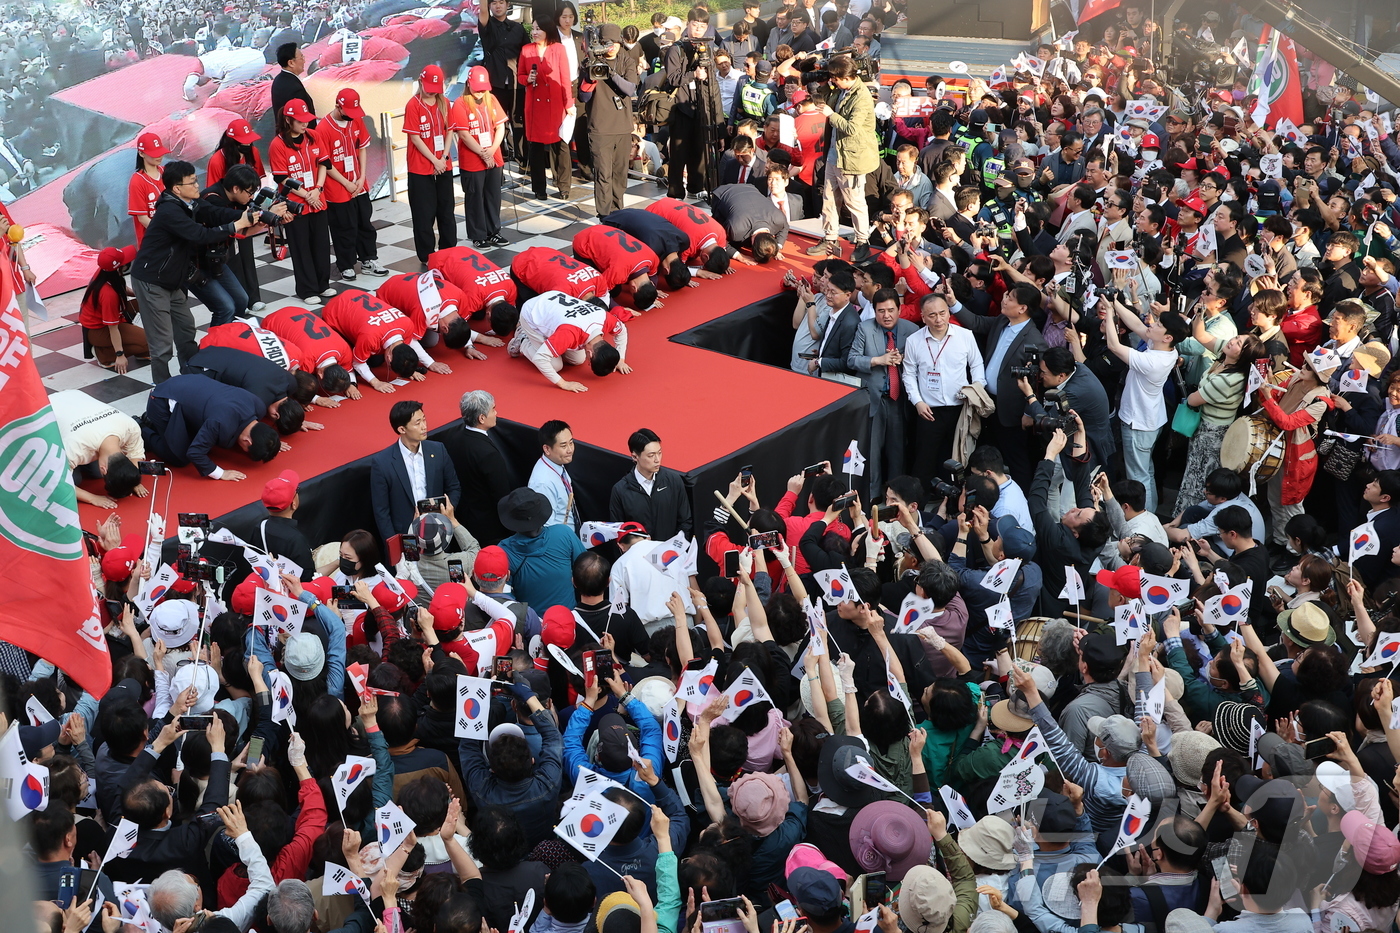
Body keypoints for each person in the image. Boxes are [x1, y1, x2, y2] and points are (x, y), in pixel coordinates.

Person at [129, 160, 268, 383]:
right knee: (162, 342)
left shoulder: (191, 203)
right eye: (192, 182)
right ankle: (163, 388)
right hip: (151, 281)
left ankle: (192, 377)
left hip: (174, 279)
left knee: (186, 332)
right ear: (177, 188)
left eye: (195, 180)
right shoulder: (169, 211)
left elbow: (215, 214)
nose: (197, 185)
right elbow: (200, 235)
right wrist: (236, 225)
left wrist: (249, 216)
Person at [953, 282, 1049, 490]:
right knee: (984, 455)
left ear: (1022, 308)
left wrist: (1029, 412)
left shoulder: (1035, 341)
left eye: (1010, 298)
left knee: (1016, 460)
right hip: (988, 403)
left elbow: (1038, 384)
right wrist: (952, 303)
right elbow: (977, 322)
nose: (1004, 300)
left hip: (1012, 412)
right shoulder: (1001, 321)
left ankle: (1023, 503)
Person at [1101, 295, 1188, 516]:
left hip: (1138, 424)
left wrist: (1110, 313)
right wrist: (1115, 303)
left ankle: (1143, 520)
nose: (1153, 323)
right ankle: (1150, 513)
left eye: (1159, 324)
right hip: (1150, 420)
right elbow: (1138, 324)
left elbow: (1113, 344)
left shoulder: (1153, 362)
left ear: (1168, 336)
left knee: (1138, 476)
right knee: (1146, 473)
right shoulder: (1166, 349)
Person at [140, 373, 280, 480]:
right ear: (247, 441)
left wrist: (269, 441)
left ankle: (151, 423)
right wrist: (220, 473)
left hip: (189, 384)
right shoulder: (220, 423)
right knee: (179, 456)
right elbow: (195, 453)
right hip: (161, 399)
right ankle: (141, 428)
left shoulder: (259, 406)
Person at [805, 56, 877, 261]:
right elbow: (826, 98)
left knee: (855, 202)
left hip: (852, 158)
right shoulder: (842, 90)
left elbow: (852, 128)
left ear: (845, 77)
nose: (833, 81)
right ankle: (830, 238)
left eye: (835, 78)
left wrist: (831, 114)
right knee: (829, 199)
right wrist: (823, 86)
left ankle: (863, 241)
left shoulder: (861, 96)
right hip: (834, 153)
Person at [849, 288, 917, 496]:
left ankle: (896, 496)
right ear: (875, 311)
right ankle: (873, 496)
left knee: (897, 451)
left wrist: (904, 358)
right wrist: (878, 360)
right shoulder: (865, 328)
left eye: (890, 310)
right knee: (873, 450)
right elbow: (852, 359)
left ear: (899, 309)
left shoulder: (913, 330)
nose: (886, 315)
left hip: (900, 400)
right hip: (873, 399)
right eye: (881, 311)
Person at [317, 88, 389, 281]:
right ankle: (346, 264)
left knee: (365, 223)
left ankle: (369, 259)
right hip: (338, 187)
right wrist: (346, 183)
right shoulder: (323, 128)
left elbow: (362, 149)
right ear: (338, 107)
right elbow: (325, 163)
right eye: (348, 111)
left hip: (358, 183)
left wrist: (361, 177)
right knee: (344, 227)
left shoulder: (356, 119)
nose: (352, 116)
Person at [321, 289, 451, 392]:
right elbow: (357, 362)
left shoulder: (407, 324)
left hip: (357, 297)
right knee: (355, 357)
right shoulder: (370, 337)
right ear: (388, 358)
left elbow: (410, 341)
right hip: (335, 310)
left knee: (376, 360)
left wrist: (426, 364)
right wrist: (375, 382)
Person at [368, 400, 462, 543]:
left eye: (424, 419)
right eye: (417, 423)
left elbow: (454, 487)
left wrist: (446, 512)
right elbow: (381, 512)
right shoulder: (382, 463)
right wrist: (395, 546)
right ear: (402, 429)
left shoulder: (438, 450)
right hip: (406, 536)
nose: (424, 426)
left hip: (439, 532)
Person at [269, 98, 333, 304]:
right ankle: (307, 290)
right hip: (296, 204)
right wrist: (306, 195)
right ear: (288, 120)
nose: (305, 124)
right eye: (300, 121)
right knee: (301, 246)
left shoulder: (314, 136)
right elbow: (282, 178)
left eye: (307, 120)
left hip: (317, 199)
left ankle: (323, 284)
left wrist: (318, 189)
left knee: (321, 244)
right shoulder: (277, 144)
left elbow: (324, 163)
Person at [511, 289, 629, 391]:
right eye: (590, 362)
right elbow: (540, 359)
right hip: (533, 313)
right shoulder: (569, 333)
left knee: (578, 360)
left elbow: (622, 331)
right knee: (555, 366)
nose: (588, 362)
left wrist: (621, 359)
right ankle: (523, 340)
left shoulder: (606, 320)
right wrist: (563, 384)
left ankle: (551, 344)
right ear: (590, 353)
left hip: (555, 304)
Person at [441, 389, 516, 546]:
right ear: (482, 418)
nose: (496, 412)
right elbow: (500, 494)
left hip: (464, 519)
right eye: (493, 409)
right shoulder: (488, 453)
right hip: (490, 528)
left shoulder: (453, 439)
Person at [580, 23, 638, 219]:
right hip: (599, 128)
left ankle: (618, 212)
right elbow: (583, 97)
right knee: (603, 174)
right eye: (606, 43)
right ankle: (604, 216)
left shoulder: (627, 61)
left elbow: (630, 89)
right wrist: (590, 78)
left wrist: (609, 73)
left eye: (614, 42)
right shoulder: (589, 62)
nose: (610, 47)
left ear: (620, 42)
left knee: (620, 174)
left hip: (622, 127)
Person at [51, 389, 147, 508]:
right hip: (48, 406)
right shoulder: (74, 448)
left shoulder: (130, 427)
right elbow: (58, 481)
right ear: (104, 468)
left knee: (96, 473)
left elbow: (135, 455)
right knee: (75, 480)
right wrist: (92, 498)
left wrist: (131, 479)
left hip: (75, 397)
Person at [664, 8, 721, 199]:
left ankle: (696, 187)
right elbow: (672, 78)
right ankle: (675, 191)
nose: (698, 29)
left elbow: (713, 84)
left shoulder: (707, 49)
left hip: (701, 107)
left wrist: (717, 118)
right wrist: (693, 75)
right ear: (687, 24)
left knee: (700, 150)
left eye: (702, 26)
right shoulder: (676, 49)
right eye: (694, 25)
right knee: (678, 154)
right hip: (680, 108)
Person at [404, 65, 458, 263]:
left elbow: (450, 130)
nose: (430, 91)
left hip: (443, 165)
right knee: (424, 214)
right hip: (421, 167)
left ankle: (449, 249)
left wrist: (443, 157)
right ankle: (427, 254)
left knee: (446, 210)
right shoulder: (413, 105)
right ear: (420, 82)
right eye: (427, 86)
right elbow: (416, 139)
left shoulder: (444, 102)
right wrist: (434, 160)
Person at [453, 66, 510, 249]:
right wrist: (482, 153)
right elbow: (464, 134)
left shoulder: (491, 99)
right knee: (475, 197)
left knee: (493, 196)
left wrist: (492, 150)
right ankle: (478, 234)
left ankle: (494, 231)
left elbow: (500, 127)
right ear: (469, 85)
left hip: (494, 157)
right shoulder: (460, 103)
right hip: (472, 160)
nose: (479, 93)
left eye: (483, 89)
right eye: (476, 89)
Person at [519, 16, 574, 201]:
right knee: (535, 146)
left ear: (548, 31)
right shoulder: (526, 50)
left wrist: (569, 104)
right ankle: (539, 188)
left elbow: (565, 79)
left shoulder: (558, 49)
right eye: (533, 29)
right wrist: (527, 79)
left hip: (555, 103)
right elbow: (520, 75)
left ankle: (564, 185)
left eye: (538, 29)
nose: (534, 32)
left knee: (561, 145)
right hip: (534, 103)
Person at [609, 427, 692, 539]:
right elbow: (618, 533)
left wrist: (674, 549)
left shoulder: (674, 481)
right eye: (651, 455)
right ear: (635, 457)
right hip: (638, 555)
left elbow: (685, 521)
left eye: (659, 453)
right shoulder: (620, 490)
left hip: (671, 554)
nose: (657, 459)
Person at [78, 245, 148, 372]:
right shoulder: (108, 295)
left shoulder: (105, 272)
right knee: (149, 342)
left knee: (148, 303)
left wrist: (137, 295)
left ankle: (137, 345)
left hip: (112, 318)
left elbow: (120, 287)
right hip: (99, 331)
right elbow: (112, 328)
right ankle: (104, 354)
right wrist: (120, 354)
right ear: (118, 269)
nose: (129, 262)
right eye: (125, 262)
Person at [478, 0, 529, 160]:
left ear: (508, 5)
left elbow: (528, 52)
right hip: (495, 83)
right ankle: (501, 156)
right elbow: (483, 12)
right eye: (494, 3)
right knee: (497, 122)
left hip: (517, 83)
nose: (498, 6)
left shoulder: (518, 28)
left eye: (501, 2)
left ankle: (522, 158)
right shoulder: (487, 26)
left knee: (519, 121)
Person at [571, 225, 663, 312]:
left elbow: (653, 276)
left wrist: (650, 295)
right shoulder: (618, 273)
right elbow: (601, 292)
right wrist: (618, 308)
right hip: (584, 241)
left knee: (615, 289)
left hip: (604, 230)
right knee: (609, 291)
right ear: (633, 288)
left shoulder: (653, 258)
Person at [709, 181, 788, 261]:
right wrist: (738, 256)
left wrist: (776, 247)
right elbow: (719, 237)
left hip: (749, 188)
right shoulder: (736, 229)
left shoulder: (779, 218)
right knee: (721, 231)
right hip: (723, 194)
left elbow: (785, 227)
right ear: (752, 243)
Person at [529, 419, 579, 528]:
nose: (570, 450)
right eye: (563, 446)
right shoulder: (543, 483)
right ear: (547, 449)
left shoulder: (556, 463)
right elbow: (546, 526)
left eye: (571, 443)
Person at [128, 131, 169, 248]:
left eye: (160, 152)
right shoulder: (137, 181)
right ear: (141, 153)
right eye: (154, 153)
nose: (159, 156)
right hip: (153, 243)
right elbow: (143, 218)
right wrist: (165, 233)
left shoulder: (166, 172)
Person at [269, 42, 314, 125]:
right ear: (291, 63)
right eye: (301, 57)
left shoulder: (279, 80)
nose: (304, 61)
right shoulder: (294, 88)